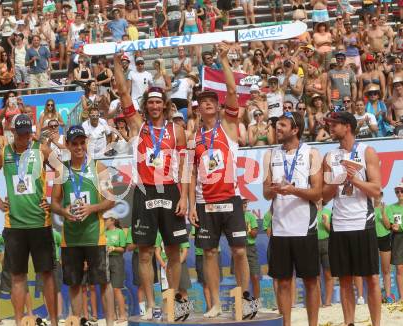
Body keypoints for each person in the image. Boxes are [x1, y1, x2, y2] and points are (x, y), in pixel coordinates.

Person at [113, 52, 188, 320]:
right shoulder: (138, 125)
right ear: (146, 106)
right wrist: (115, 62)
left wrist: (185, 198)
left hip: (170, 189)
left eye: (159, 102)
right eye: (151, 102)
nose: (155, 106)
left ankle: (171, 303)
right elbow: (122, 93)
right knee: (144, 253)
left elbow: (186, 166)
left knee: (173, 251)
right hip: (144, 190)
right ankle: (151, 306)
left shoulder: (176, 130)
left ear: (165, 105)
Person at [188, 42, 251, 318]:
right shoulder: (195, 139)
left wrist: (224, 60)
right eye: (203, 101)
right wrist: (190, 205)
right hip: (204, 202)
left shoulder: (228, 127)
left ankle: (245, 300)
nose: (208, 103)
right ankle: (213, 303)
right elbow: (189, 175)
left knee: (239, 252)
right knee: (210, 254)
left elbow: (233, 92)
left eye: (212, 100)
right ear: (199, 109)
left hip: (230, 198)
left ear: (218, 105)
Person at [0, 114, 58, 326]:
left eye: (28, 133)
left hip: (40, 223)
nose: (25, 137)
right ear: (13, 133)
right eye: (21, 133)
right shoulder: (2, 154)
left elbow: (62, 171)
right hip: (14, 225)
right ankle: (18, 321)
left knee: (47, 275)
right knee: (17, 276)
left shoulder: (41, 150)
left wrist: (53, 203)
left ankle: (53, 321)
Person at [50, 125, 115, 326]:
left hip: (95, 235)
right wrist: (64, 212)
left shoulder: (99, 168)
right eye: (74, 143)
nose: (78, 147)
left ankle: (111, 323)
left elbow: (111, 200)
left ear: (86, 142)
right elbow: (53, 204)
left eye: (81, 142)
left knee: (103, 283)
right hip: (71, 239)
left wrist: (91, 208)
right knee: (75, 284)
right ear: (67, 145)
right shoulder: (61, 170)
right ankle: (77, 321)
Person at [323, 111, 382, 326]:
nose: (330, 127)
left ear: (347, 126)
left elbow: (376, 190)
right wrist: (334, 182)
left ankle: (376, 324)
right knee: (345, 280)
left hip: (363, 222)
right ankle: (349, 323)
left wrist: (354, 180)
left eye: (334, 124)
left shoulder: (367, 151)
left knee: (372, 279)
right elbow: (324, 196)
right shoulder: (330, 156)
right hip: (339, 224)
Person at [263, 111, 322, 326]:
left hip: (304, 226)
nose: (277, 129)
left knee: (310, 281)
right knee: (284, 282)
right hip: (280, 228)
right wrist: (275, 190)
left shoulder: (311, 153)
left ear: (295, 129)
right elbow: (265, 193)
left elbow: (317, 193)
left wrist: (293, 190)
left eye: (282, 125)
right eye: (276, 125)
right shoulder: (270, 155)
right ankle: (286, 324)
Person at [105, 216, 127, 322]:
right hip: (105, 260)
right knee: (108, 289)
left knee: (116, 288)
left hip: (116, 260)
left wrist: (113, 248)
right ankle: (112, 315)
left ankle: (123, 315)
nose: (104, 221)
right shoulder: (103, 233)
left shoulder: (120, 232)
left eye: (106, 219)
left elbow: (123, 249)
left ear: (112, 221)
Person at [385, 181, 403, 302]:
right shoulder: (391, 207)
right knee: (400, 268)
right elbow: (393, 226)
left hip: (399, 233)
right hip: (398, 239)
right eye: (397, 191)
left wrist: (400, 227)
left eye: (401, 191)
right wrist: (397, 227)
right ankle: (402, 297)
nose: (399, 193)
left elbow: (398, 226)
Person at [374, 192, 393, 303]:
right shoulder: (368, 208)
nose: (377, 196)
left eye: (379, 194)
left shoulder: (387, 208)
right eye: (375, 194)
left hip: (384, 238)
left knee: (386, 269)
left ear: (381, 196)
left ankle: (388, 295)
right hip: (372, 239)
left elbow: (387, 226)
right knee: (375, 270)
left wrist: (383, 212)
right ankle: (378, 296)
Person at [316, 201, 333, 307]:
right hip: (313, 243)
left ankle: (328, 302)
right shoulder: (309, 212)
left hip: (326, 242)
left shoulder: (329, 212)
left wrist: (326, 224)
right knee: (315, 276)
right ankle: (318, 301)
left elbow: (333, 231)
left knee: (328, 274)